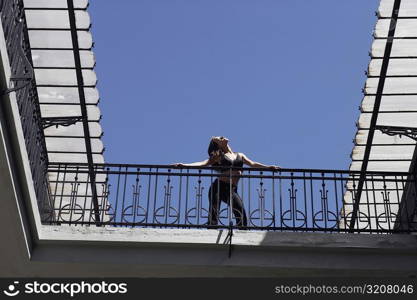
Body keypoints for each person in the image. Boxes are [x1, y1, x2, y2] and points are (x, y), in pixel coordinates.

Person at [174, 136, 280, 227]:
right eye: (220, 139)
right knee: (214, 214)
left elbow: (253, 164)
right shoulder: (218, 157)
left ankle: (243, 234)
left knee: (240, 212)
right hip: (218, 187)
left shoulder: (240, 155)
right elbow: (202, 163)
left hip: (232, 189)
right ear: (218, 145)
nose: (223, 138)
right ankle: (211, 233)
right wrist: (184, 165)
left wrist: (268, 167)